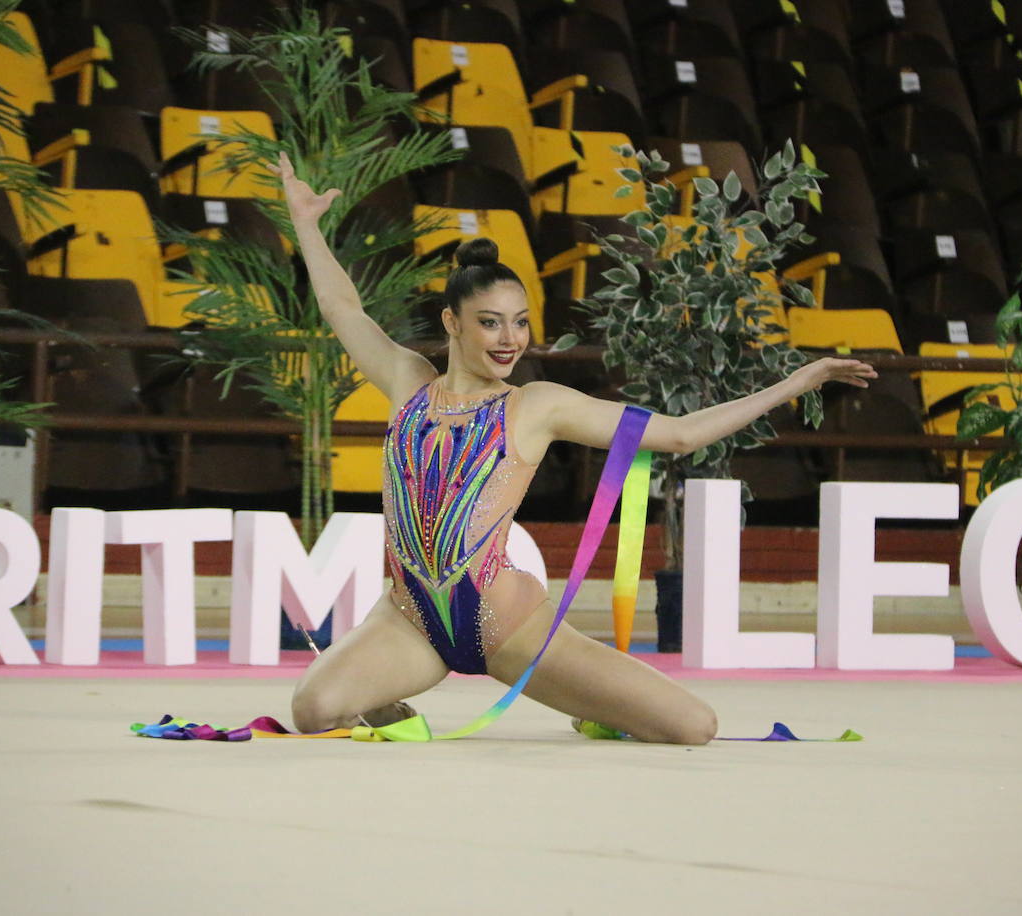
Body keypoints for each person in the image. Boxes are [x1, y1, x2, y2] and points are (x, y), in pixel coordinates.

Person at [276, 152, 877, 745]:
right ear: (452, 323)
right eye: (490, 322)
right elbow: (342, 308)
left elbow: (680, 433)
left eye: (519, 322)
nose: (510, 339)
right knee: (315, 707)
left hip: (507, 628)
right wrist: (306, 223)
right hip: (411, 621)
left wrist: (798, 382)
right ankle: (387, 701)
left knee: (694, 727)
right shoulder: (406, 379)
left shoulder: (535, 404)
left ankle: (594, 707)